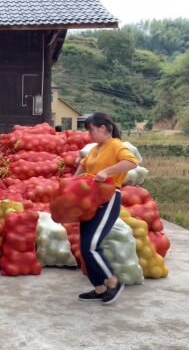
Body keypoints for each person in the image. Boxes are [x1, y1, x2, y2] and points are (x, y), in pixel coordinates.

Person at [74, 113, 138, 304]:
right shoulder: (95, 150)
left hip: (108, 199)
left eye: (91, 130)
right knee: (85, 248)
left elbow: (131, 162)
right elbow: (83, 167)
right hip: (90, 202)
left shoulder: (116, 145)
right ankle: (100, 289)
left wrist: (107, 171)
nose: (89, 135)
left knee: (91, 246)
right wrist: (71, 184)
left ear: (103, 129)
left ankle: (113, 281)